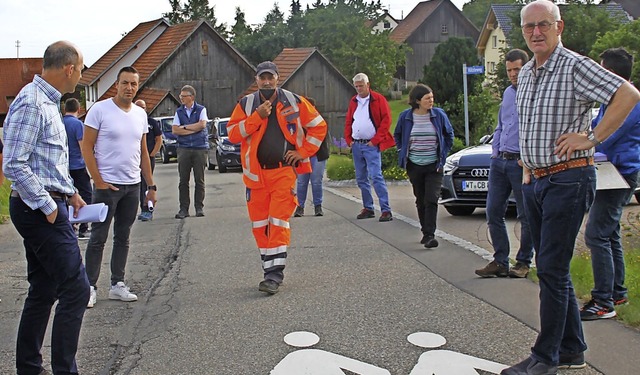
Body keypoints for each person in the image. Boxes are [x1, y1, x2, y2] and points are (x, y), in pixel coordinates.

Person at [501, 1, 640, 374]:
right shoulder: (527, 73)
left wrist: (591, 137)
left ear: (559, 27)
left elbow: (627, 95)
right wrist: (528, 166)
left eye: (543, 25)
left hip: (570, 176)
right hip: (537, 180)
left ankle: (545, 356)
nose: (535, 33)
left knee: (550, 268)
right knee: (552, 270)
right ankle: (574, 349)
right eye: (529, 27)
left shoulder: (575, 65)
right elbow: (531, 126)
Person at [3, 40, 90, 375]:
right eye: (80, 69)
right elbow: (14, 164)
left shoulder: (47, 102)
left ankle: (28, 366)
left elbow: (45, 163)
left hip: (48, 203)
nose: (81, 76)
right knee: (77, 289)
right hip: (37, 209)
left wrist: (70, 194)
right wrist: (47, 205)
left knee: (44, 288)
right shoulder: (31, 102)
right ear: (68, 67)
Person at [227, 61, 327, 295]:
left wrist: (303, 153)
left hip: (283, 172)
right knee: (260, 226)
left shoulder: (293, 101)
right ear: (257, 80)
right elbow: (232, 134)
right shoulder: (246, 104)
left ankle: (274, 275)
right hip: (256, 176)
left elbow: (319, 127)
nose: (267, 81)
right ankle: (269, 269)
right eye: (263, 78)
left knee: (278, 221)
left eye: (270, 77)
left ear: (277, 78)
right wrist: (256, 117)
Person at [82, 66, 157, 308]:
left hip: (132, 185)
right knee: (98, 237)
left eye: (133, 84)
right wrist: (99, 180)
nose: (129, 88)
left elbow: (143, 152)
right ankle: (89, 286)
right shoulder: (100, 110)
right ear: (117, 84)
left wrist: (151, 185)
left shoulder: (139, 114)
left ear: (138, 86)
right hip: (107, 187)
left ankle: (117, 284)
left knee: (123, 237)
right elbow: (87, 147)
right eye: (125, 83)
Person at [580, 48, 640, 321]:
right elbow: (595, 125)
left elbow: (606, 135)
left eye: (602, 71)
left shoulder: (629, 102)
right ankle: (618, 291)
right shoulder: (611, 100)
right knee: (610, 232)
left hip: (620, 174)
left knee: (596, 235)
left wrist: (582, 141)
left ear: (612, 74)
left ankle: (603, 302)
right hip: (610, 172)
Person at [475, 49, 534, 278]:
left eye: (516, 69)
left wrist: (525, 158)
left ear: (526, 68)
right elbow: (501, 123)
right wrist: (495, 151)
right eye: (509, 70)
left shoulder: (534, 93)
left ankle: (523, 262)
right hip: (501, 161)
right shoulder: (508, 93)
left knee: (526, 215)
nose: (512, 74)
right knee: (493, 211)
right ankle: (500, 260)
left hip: (521, 163)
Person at [393, 84, 454, 249]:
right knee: (420, 199)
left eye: (432, 98)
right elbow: (397, 134)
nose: (431, 101)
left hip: (434, 165)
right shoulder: (405, 117)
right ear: (418, 100)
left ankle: (430, 235)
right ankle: (425, 230)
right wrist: (401, 149)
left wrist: (443, 153)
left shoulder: (438, 115)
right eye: (427, 98)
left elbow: (449, 135)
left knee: (432, 199)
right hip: (414, 164)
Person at [344, 73, 395, 222]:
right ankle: (368, 207)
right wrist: (349, 139)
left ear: (368, 85)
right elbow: (349, 120)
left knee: (376, 176)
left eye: (361, 85)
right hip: (357, 144)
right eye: (357, 86)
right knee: (361, 178)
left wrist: (375, 140)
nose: (359, 89)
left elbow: (386, 120)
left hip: (371, 145)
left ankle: (386, 209)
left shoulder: (378, 99)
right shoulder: (354, 101)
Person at [172, 85, 209, 219]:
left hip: (200, 147)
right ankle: (184, 209)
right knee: (183, 181)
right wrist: (194, 129)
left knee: (199, 180)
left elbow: (202, 125)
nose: (181, 98)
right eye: (180, 96)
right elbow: (175, 130)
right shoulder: (179, 112)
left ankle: (199, 207)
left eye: (184, 96)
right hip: (184, 148)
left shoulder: (201, 109)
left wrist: (185, 127)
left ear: (191, 97)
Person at [294, 97, 330, 217]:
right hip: (302, 156)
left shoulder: (318, 121)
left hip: (317, 156)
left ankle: (318, 206)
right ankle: (300, 207)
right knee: (301, 182)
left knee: (316, 181)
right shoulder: (297, 122)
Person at [63, 97, 93, 239]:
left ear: (65, 109)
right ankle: (83, 227)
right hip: (78, 166)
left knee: (67, 197)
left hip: (64, 167)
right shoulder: (78, 124)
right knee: (86, 195)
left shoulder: (60, 123)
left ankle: (70, 226)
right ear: (79, 109)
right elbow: (83, 147)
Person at [135, 99, 162, 222]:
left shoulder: (151, 122)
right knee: (139, 185)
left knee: (147, 185)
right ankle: (143, 209)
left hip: (147, 158)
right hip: (136, 158)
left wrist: (152, 153)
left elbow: (159, 138)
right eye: (138, 107)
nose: (141, 110)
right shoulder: (133, 121)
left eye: (143, 107)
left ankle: (148, 210)